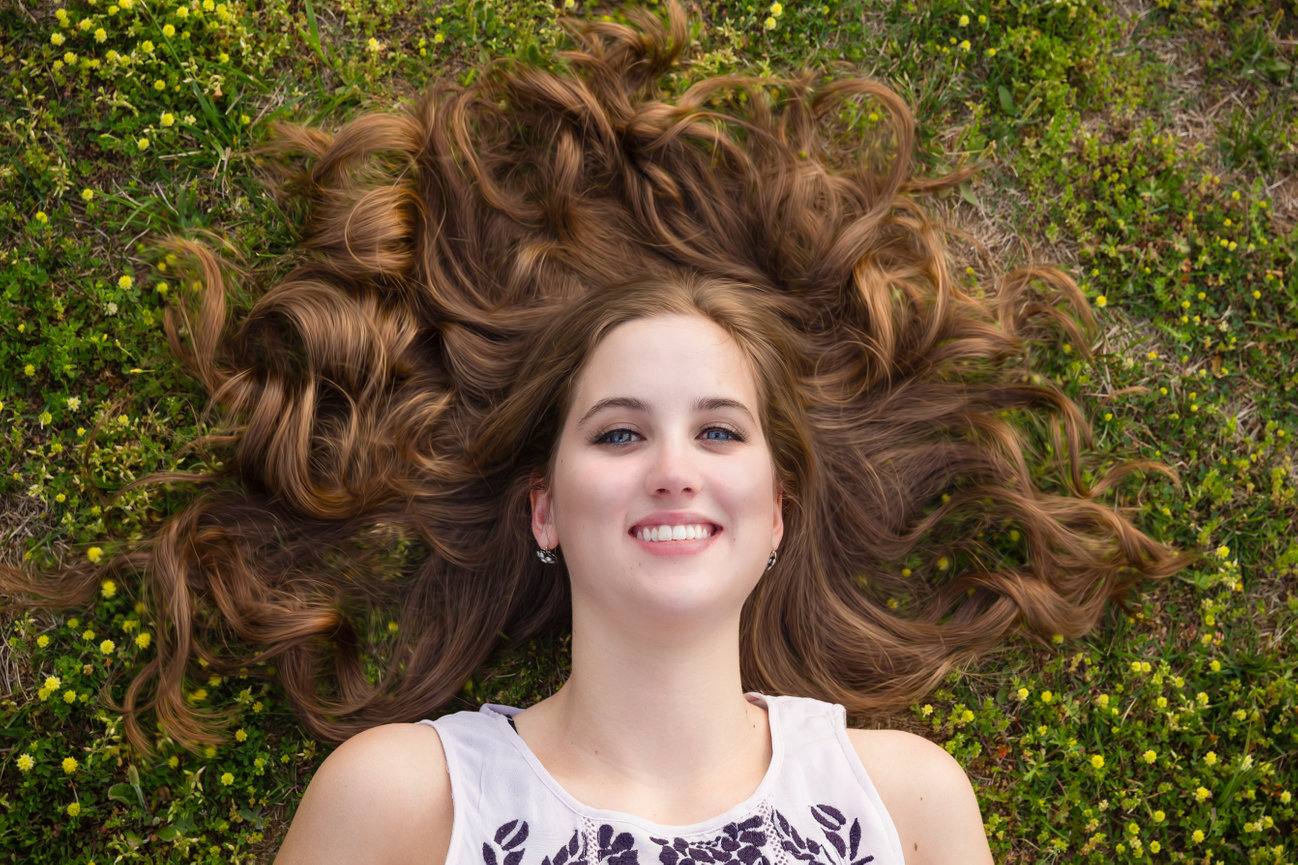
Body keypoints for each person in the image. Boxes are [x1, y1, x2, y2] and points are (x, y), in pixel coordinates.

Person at [1, 4, 1185, 862]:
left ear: (777, 510)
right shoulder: (406, 798)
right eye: (618, 436)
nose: (672, 467)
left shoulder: (905, 803)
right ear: (544, 507)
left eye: (718, 433)